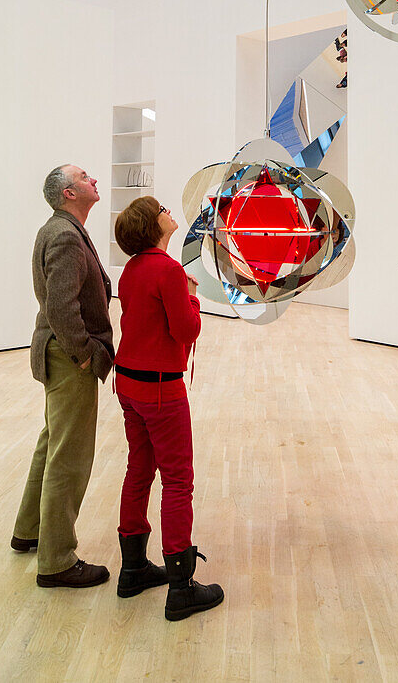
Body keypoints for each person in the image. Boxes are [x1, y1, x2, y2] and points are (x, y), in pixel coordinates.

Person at [114, 196, 224, 620]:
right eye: (161, 208)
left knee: (139, 470)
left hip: (129, 384)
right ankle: (181, 588)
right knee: (178, 481)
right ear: (152, 225)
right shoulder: (168, 270)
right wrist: (193, 299)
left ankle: (133, 569)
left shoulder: (132, 270)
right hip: (161, 391)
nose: (168, 211)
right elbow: (186, 329)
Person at [11, 165, 116, 588]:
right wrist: (86, 356)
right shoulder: (66, 235)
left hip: (57, 353)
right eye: (85, 176)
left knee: (51, 442)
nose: (94, 179)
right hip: (69, 357)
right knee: (68, 457)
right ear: (70, 193)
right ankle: (56, 560)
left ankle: (30, 530)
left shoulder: (59, 229)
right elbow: (60, 305)